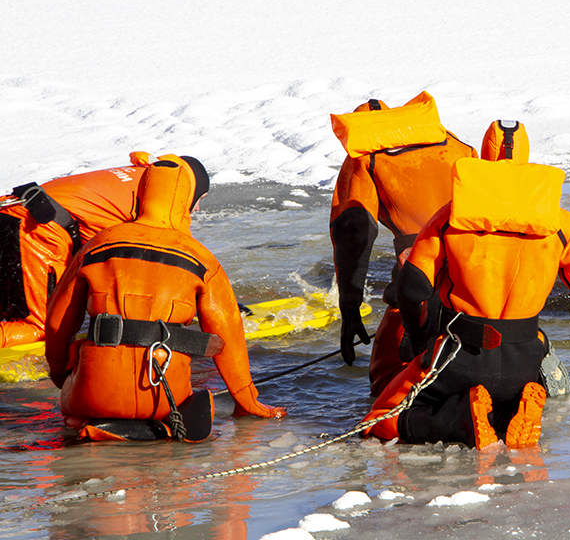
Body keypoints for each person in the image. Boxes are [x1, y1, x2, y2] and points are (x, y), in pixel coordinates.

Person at [360, 121, 570, 450]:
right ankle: (509, 413)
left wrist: (416, 337)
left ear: (482, 157)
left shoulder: (450, 217)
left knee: (378, 420)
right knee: (498, 398)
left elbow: (414, 286)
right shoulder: (560, 222)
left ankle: (459, 421)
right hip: (525, 360)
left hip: (460, 355)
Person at [44, 156, 285, 442]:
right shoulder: (202, 259)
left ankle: (86, 421)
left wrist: (62, 374)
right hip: (161, 393)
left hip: (93, 392)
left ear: (140, 195)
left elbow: (57, 321)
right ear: (185, 202)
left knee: (80, 401)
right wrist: (247, 401)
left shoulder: (99, 243)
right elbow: (227, 336)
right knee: (193, 401)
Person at [329, 91, 477, 396]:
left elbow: (355, 234)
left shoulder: (367, 160)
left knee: (386, 383)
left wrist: (350, 309)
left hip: (418, 287)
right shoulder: (461, 148)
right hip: (475, 287)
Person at [0, 151, 161, 348]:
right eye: (200, 199)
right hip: (34, 230)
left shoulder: (138, 174)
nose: (196, 209)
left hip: (9, 212)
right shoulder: (159, 197)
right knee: (43, 327)